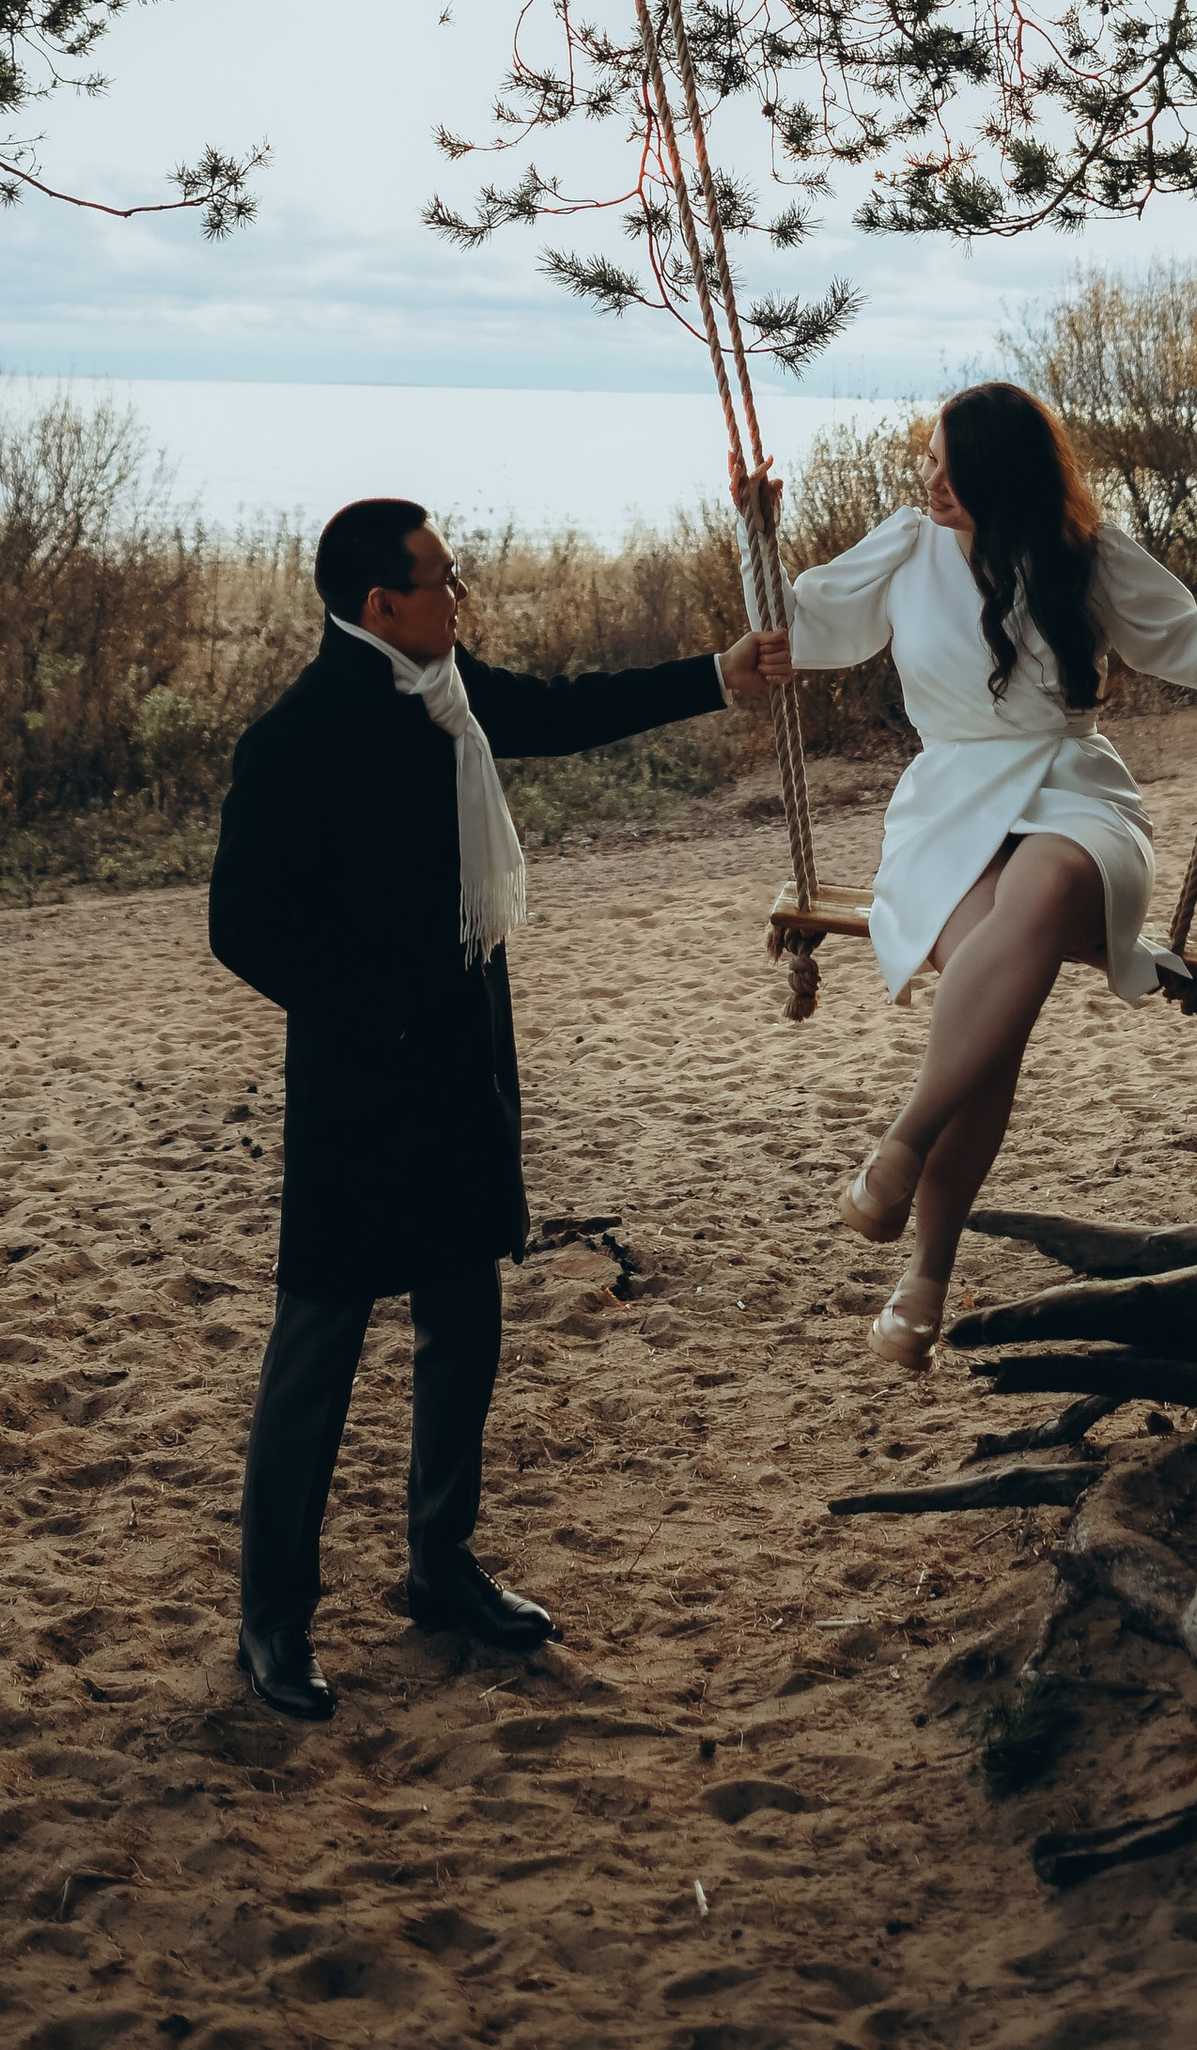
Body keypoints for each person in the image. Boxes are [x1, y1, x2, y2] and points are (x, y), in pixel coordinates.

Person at [208, 490, 786, 1722]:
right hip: (364, 1084)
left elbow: (566, 711)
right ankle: (273, 1618)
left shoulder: (450, 693)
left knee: (463, 1314)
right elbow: (243, 924)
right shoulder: (299, 733)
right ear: (381, 605)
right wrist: (377, 1008)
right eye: (442, 579)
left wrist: (717, 673)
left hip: (465, 1060)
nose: (458, 596)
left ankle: (440, 1565)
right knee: (318, 1347)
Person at [740, 381, 1197, 1371]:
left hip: (1074, 793)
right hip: (947, 808)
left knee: (1041, 892)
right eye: (927, 460)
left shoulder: (1085, 553)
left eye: (949, 466)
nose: (929, 480)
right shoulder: (908, 546)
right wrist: (758, 534)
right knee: (990, 1013)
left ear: (1003, 473)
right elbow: (796, 635)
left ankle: (903, 1141)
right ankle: (926, 1274)